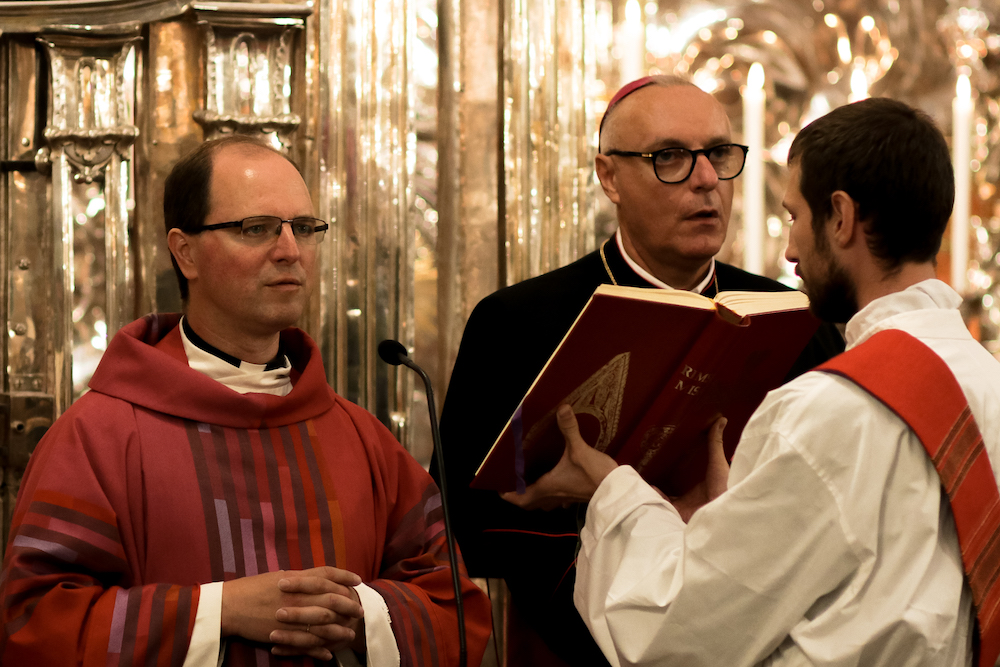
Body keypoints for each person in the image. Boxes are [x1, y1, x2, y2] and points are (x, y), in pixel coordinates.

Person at [505, 97, 1000, 666]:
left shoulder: (824, 409)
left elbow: (677, 633)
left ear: (839, 218)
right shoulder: (985, 381)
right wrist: (737, 507)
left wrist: (614, 489)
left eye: (794, 217)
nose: (789, 251)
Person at [0, 135, 492, 667]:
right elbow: (34, 622)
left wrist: (359, 611)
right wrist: (218, 611)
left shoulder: (360, 437)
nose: (289, 250)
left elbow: (455, 608)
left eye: (303, 229)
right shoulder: (100, 434)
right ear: (185, 252)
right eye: (255, 228)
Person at [434, 75, 844, 665]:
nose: (706, 179)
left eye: (720, 154)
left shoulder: (798, 321)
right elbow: (457, 522)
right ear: (610, 178)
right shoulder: (515, 323)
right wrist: (563, 501)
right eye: (671, 157)